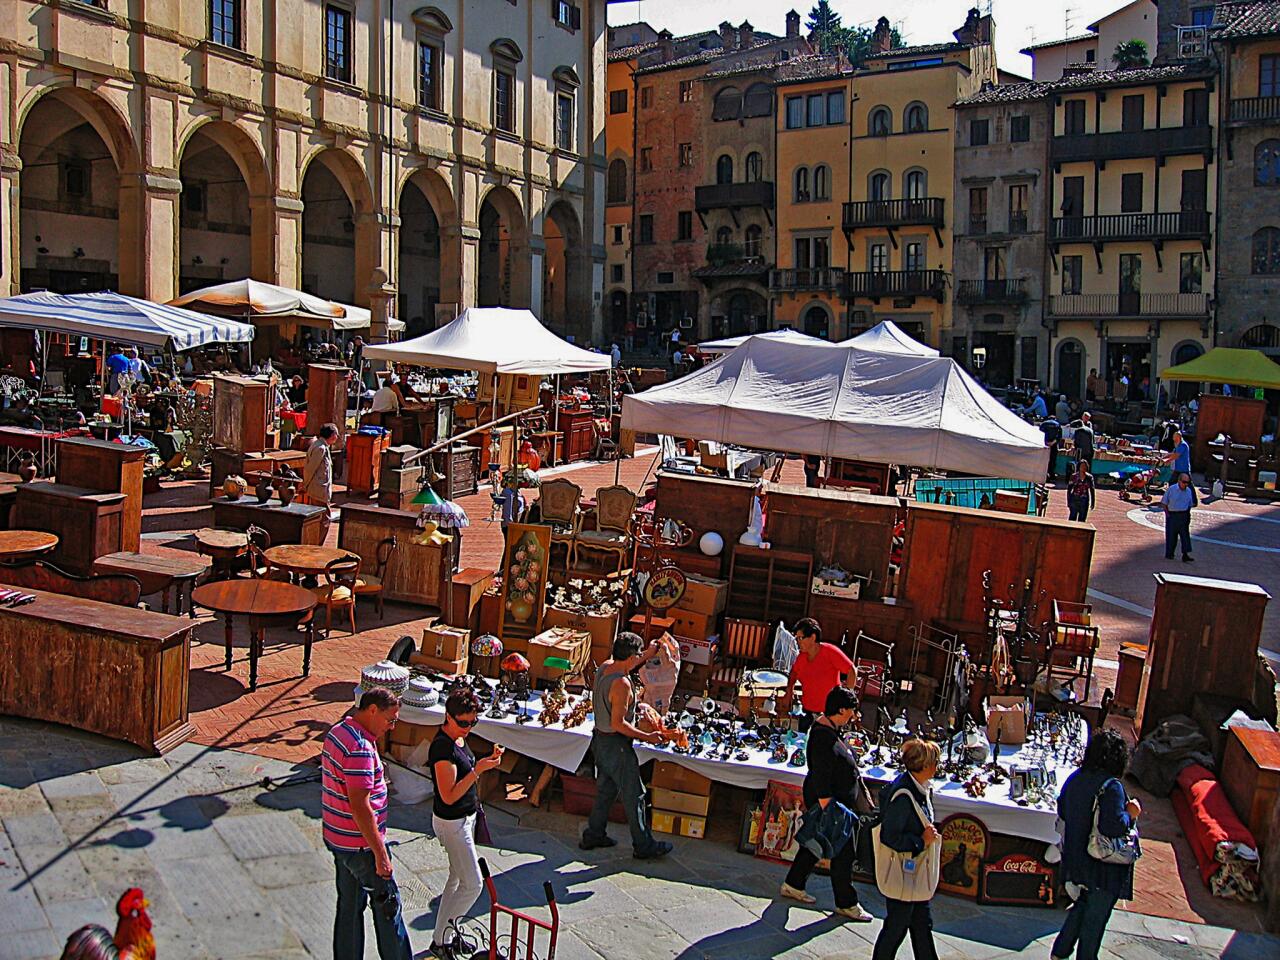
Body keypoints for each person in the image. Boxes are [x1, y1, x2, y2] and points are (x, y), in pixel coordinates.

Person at [321, 688, 414, 960]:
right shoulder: (360, 748)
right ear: (372, 710)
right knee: (388, 909)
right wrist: (381, 854)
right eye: (390, 719)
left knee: (349, 908)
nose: (392, 726)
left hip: (339, 841)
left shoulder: (338, 733)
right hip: (360, 847)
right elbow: (360, 806)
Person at [779, 685, 874, 922]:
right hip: (831, 803)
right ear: (840, 710)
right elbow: (821, 771)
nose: (853, 716)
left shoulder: (829, 729)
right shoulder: (822, 735)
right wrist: (827, 806)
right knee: (843, 852)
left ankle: (793, 884)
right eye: (851, 711)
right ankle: (847, 903)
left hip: (833, 802)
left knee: (815, 844)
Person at [580, 632, 673, 860]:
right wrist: (647, 737)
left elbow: (626, 665)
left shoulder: (605, 667)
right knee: (635, 794)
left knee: (606, 790)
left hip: (600, 742)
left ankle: (594, 834)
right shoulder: (622, 686)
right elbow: (618, 724)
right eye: (638, 654)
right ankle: (643, 845)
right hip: (616, 745)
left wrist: (647, 654)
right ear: (631, 655)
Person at [1050, 729, 1141, 960]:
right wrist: (1131, 814)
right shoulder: (1111, 787)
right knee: (1095, 919)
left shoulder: (1076, 778)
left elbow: (1063, 809)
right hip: (1102, 867)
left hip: (1076, 859)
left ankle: (1060, 952)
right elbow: (1114, 826)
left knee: (1081, 906)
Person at [428, 686, 504, 959]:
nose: (468, 728)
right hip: (452, 823)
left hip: (464, 818)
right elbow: (448, 795)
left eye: (473, 722)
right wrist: (477, 771)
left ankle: (444, 938)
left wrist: (485, 763)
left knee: (456, 880)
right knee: (473, 885)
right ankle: (444, 938)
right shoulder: (442, 747)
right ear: (448, 717)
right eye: (463, 723)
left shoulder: (458, 739)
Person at [872, 739, 942, 960]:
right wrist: (921, 841)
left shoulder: (918, 788)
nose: (937, 767)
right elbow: (889, 837)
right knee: (897, 925)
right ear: (924, 766)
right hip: (904, 871)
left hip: (914, 874)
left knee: (921, 923)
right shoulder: (903, 796)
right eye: (935, 762)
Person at [781, 618, 853, 731]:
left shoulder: (830, 652)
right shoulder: (802, 657)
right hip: (807, 713)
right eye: (796, 638)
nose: (798, 642)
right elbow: (793, 673)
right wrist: (789, 690)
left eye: (801, 638)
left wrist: (847, 699)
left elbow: (851, 671)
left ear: (813, 637)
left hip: (829, 715)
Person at [304, 423, 340, 543]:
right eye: (336, 434)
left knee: (319, 518)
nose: (337, 437)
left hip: (319, 489)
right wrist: (305, 486)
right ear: (332, 435)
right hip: (318, 490)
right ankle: (317, 544)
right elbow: (310, 469)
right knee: (325, 519)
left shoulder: (323, 446)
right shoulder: (320, 448)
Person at [1161, 472, 1197, 562]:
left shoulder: (1188, 491)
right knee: (1171, 535)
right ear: (1179, 481)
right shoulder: (1171, 489)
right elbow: (1164, 502)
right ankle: (1169, 553)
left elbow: (1190, 504)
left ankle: (1185, 554)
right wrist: (1167, 514)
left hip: (1184, 514)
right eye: (1184, 482)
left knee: (1185, 535)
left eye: (1187, 482)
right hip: (1172, 514)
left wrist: (1187, 514)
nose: (1185, 484)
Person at [1039, 413, 1063, 480]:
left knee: (1043, 460)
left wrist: (1046, 443)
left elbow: (1039, 434)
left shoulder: (1043, 424)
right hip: (1053, 445)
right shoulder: (1057, 424)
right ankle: (1051, 476)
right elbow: (1059, 437)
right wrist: (1052, 443)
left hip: (1044, 445)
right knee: (1052, 460)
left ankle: (1043, 476)